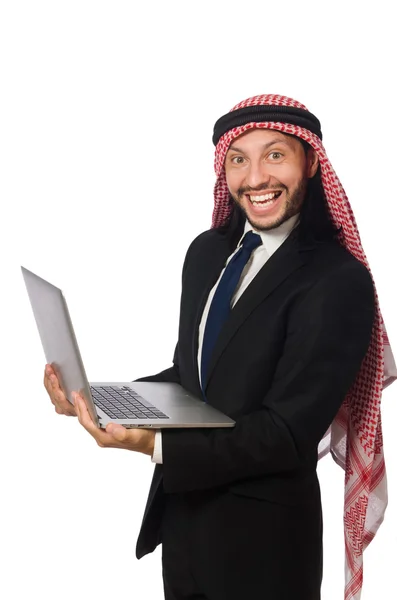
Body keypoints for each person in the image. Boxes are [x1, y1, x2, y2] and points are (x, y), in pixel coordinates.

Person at [43, 94, 396, 600]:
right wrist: (96, 399)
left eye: (275, 155)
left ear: (312, 162)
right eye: (239, 159)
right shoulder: (207, 253)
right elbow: (193, 378)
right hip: (184, 524)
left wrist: (153, 445)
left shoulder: (337, 281)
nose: (255, 179)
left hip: (265, 547)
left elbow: (285, 434)